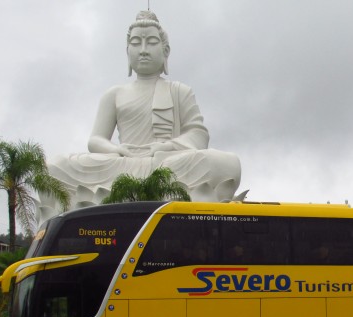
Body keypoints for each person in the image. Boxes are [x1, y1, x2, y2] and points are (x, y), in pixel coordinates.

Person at [41, 11, 241, 221]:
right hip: (122, 166)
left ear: (165, 51)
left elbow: (198, 136)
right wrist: (117, 150)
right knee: (55, 167)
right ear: (127, 51)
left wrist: (167, 147)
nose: (143, 50)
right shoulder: (114, 94)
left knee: (227, 163)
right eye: (136, 43)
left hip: (167, 165)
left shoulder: (180, 91)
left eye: (151, 42)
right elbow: (96, 140)